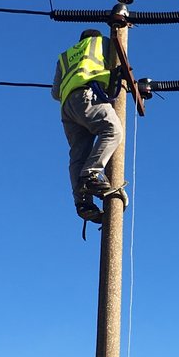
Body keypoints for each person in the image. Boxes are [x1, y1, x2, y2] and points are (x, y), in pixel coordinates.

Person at [51, 28, 124, 223]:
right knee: (112, 130)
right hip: (88, 96)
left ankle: (82, 202)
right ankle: (91, 175)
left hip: (67, 107)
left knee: (78, 154)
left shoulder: (64, 57)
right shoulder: (102, 42)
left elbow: (55, 93)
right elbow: (118, 63)